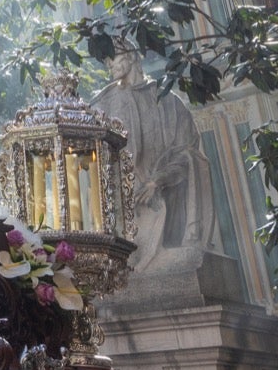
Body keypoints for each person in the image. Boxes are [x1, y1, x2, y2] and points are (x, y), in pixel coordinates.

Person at [90, 44, 216, 265]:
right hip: (122, 203)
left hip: (166, 196)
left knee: (180, 259)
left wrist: (157, 181)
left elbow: (188, 151)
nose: (110, 64)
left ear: (132, 57)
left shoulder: (169, 102)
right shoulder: (102, 104)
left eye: (114, 57)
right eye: (107, 60)